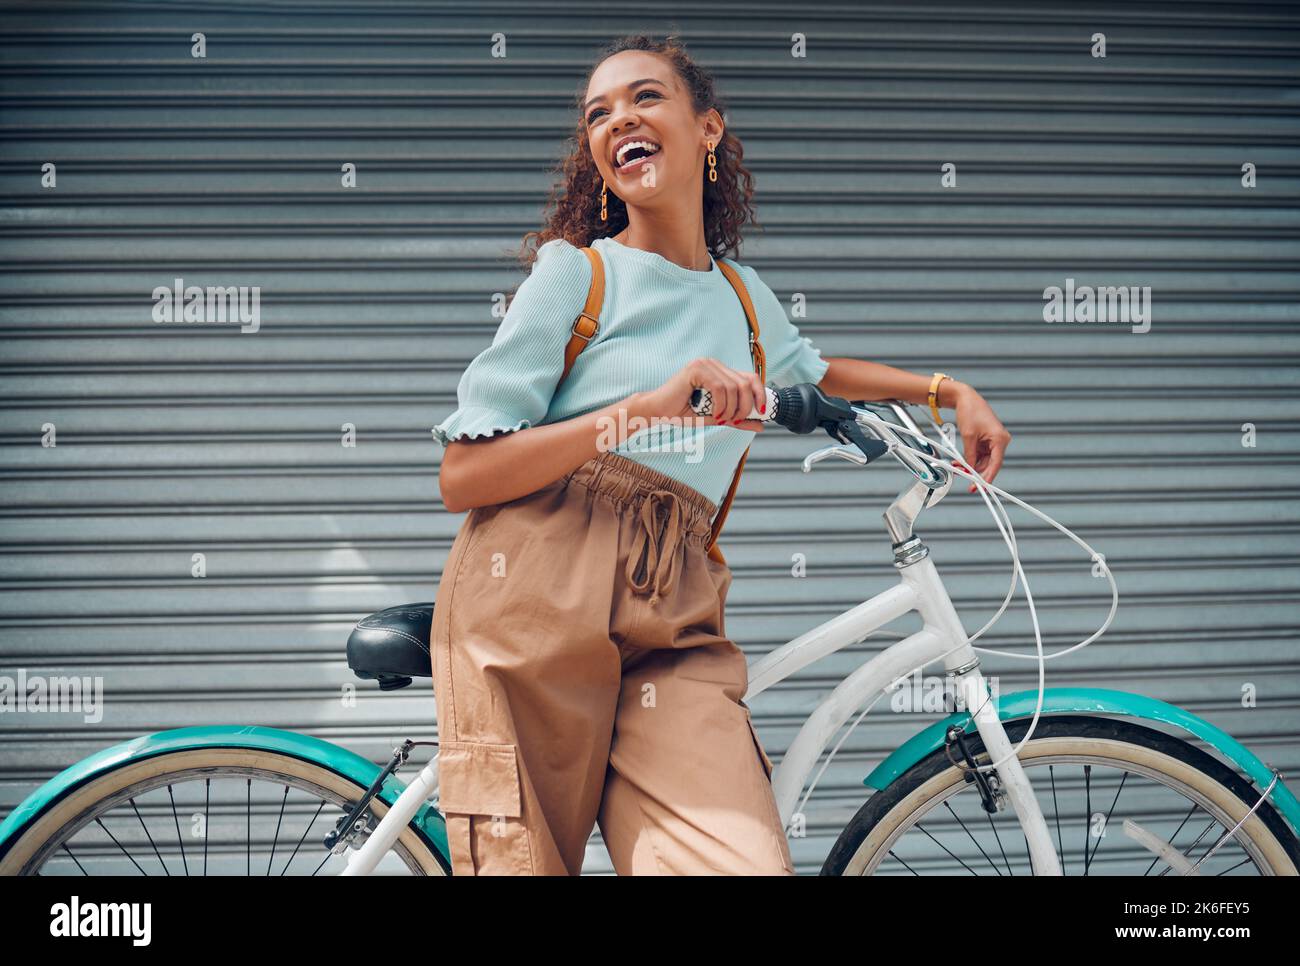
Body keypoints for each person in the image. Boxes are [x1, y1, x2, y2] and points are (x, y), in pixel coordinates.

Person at [429, 34, 1012, 876]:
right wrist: (641, 410)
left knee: (738, 861)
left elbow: (819, 372)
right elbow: (464, 475)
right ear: (595, 156)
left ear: (709, 128)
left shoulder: (744, 298)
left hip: (675, 609)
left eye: (644, 98)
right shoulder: (576, 277)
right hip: (533, 598)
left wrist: (946, 392)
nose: (618, 119)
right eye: (598, 113)